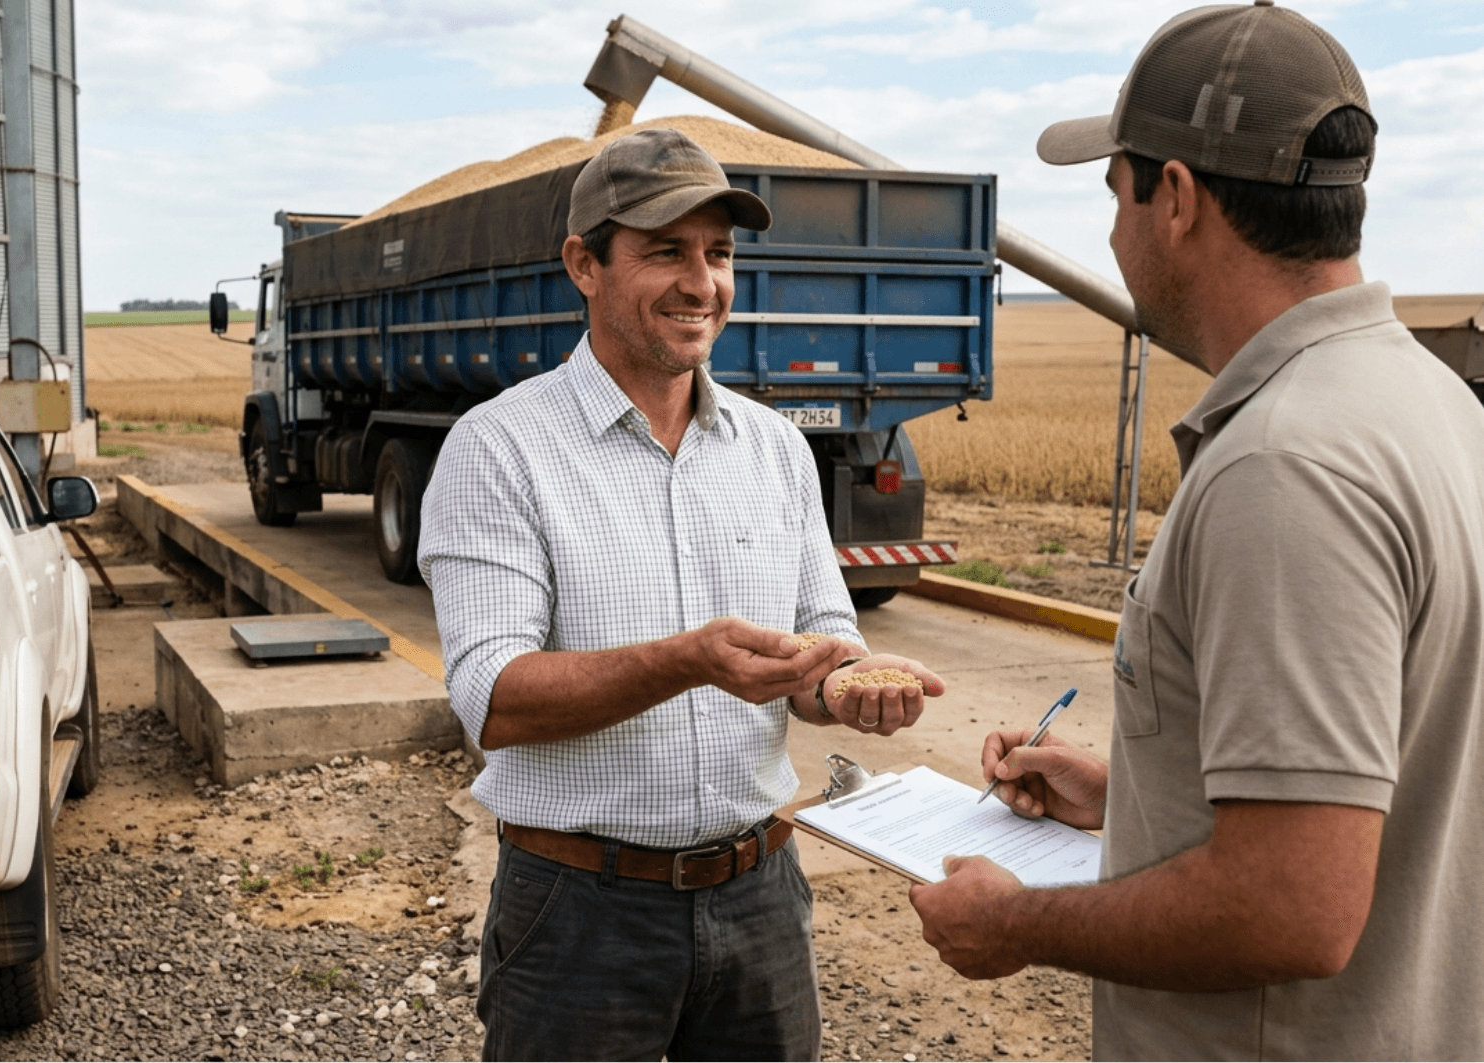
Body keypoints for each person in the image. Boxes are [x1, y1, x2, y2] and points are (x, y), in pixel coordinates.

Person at [907, 2, 1484, 1058]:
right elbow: (1372, 789)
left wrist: (1014, 922)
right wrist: (1134, 801)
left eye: (1112, 190)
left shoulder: (1285, 464)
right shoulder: (1433, 403)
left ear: (1173, 197)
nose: (1113, 231)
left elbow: (1291, 906)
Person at [419, 127, 945, 1061]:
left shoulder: (774, 448)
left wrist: (850, 686)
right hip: (577, 911)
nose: (701, 282)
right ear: (585, 263)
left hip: (760, 896)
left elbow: (821, 639)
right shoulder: (499, 449)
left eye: (719, 252)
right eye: (666, 250)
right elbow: (491, 698)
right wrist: (686, 662)